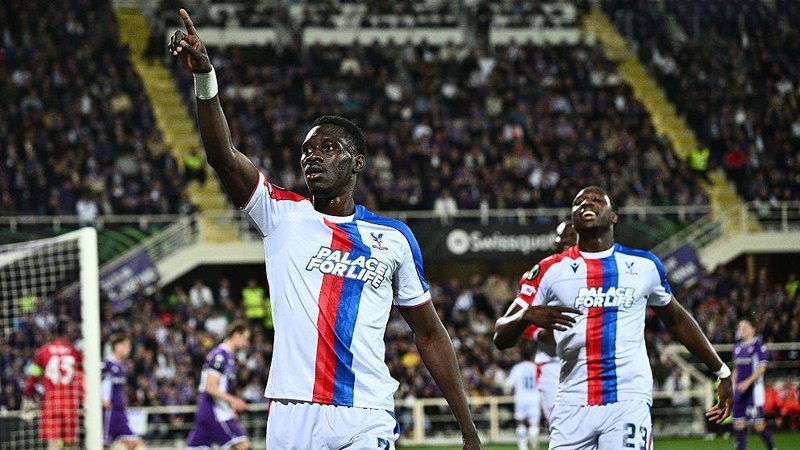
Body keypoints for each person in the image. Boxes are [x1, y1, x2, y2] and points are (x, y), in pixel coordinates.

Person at [169, 10, 480, 448]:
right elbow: (223, 155)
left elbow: (429, 333)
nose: (311, 157)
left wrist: (466, 426)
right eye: (306, 150)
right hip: (292, 412)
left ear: (357, 163)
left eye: (327, 148)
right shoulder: (281, 213)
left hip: (366, 411)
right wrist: (205, 77)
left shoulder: (393, 240)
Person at [494, 186, 732, 450]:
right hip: (572, 402)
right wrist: (525, 315)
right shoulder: (548, 271)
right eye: (578, 202)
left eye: (596, 200)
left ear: (614, 216)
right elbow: (500, 336)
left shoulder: (644, 266)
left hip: (628, 399)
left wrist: (721, 370)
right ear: (572, 216)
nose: (587, 203)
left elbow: (676, 319)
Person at [186, 321, 252, 450]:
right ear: (236, 335)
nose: (246, 343)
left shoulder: (228, 357)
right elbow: (210, 387)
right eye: (245, 338)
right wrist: (234, 400)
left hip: (207, 412)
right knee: (243, 446)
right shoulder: (220, 355)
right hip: (214, 412)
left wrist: (230, 405)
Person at [23, 322, 83, 450]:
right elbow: (80, 377)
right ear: (67, 332)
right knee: (71, 443)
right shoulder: (75, 352)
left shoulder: (42, 351)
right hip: (69, 402)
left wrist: (28, 392)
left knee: (53, 443)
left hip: (51, 402)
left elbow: (33, 376)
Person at [732, 319, 776, 450]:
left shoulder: (758, 345)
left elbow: (761, 369)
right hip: (740, 391)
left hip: (753, 391)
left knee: (759, 427)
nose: (742, 328)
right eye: (740, 326)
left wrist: (747, 382)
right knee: (738, 424)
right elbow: (736, 368)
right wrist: (733, 384)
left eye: (745, 326)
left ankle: (772, 447)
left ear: (752, 329)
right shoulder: (737, 348)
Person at [102, 333, 145, 449]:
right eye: (126, 346)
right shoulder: (106, 365)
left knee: (135, 443)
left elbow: (120, 388)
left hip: (120, 410)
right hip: (109, 411)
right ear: (117, 346)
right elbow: (99, 384)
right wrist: (102, 400)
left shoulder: (122, 366)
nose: (129, 349)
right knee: (104, 444)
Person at [505, 344, 541, 450]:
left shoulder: (517, 368)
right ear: (532, 356)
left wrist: (507, 392)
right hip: (534, 398)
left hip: (521, 398)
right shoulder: (536, 368)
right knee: (534, 424)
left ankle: (523, 447)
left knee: (520, 423)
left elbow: (508, 384)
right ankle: (534, 446)